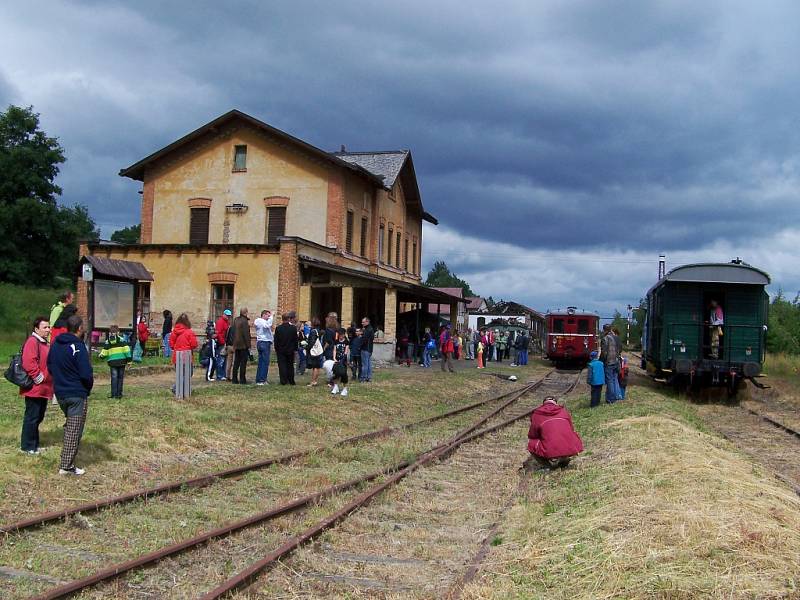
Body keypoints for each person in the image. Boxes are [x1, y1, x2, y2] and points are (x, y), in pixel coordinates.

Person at [47, 315, 93, 475]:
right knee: (74, 429)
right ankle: (66, 466)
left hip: (60, 392)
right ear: (79, 328)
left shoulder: (56, 345)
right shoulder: (78, 347)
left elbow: (50, 366)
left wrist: (60, 380)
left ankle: (68, 461)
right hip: (76, 393)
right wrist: (87, 387)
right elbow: (86, 373)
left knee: (71, 426)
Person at [19, 316, 52, 455]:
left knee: (38, 417)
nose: (48, 330)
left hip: (44, 388)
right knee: (32, 417)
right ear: (36, 329)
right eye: (45, 327)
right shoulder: (32, 342)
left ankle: (34, 445)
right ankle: (27, 447)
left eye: (48, 327)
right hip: (35, 388)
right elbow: (28, 362)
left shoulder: (44, 343)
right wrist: (39, 378)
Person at [526, 396, 583, 470]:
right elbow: (571, 429)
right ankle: (564, 459)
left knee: (531, 444)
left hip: (550, 448)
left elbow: (532, 435)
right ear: (555, 403)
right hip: (571, 447)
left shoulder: (537, 414)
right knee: (569, 436)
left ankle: (547, 465)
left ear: (543, 403)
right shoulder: (563, 411)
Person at [99, 325, 132, 398]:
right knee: (120, 378)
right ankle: (119, 394)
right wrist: (129, 361)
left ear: (110, 333)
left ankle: (113, 394)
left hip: (112, 362)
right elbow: (127, 351)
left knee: (114, 378)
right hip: (122, 362)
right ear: (118, 332)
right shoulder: (122, 340)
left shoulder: (108, 342)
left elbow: (104, 352)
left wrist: (101, 356)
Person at [170, 313, 198, 399]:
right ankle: (177, 388)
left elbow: (171, 344)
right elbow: (194, 344)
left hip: (177, 356)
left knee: (180, 373)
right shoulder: (189, 332)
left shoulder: (174, 332)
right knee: (188, 373)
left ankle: (178, 388)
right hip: (187, 356)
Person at [324, 328, 350, 396]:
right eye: (339, 335)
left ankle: (345, 389)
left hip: (343, 361)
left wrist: (342, 360)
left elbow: (346, 352)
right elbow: (334, 350)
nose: (340, 336)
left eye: (342, 335)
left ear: (344, 335)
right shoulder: (336, 341)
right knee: (335, 374)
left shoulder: (346, 341)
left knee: (343, 374)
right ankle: (336, 387)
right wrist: (334, 358)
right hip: (336, 360)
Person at [274, 312, 297, 385]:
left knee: (282, 365)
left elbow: (276, 340)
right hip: (290, 349)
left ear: (282, 319)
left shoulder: (278, 328)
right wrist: (295, 349)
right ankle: (291, 380)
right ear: (289, 319)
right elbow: (295, 340)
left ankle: (283, 380)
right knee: (290, 365)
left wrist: (276, 348)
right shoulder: (293, 328)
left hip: (281, 350)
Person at [600, 324, 620, 403]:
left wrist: (601, 361)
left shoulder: (605, 339)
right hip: (616, 361)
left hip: (609, 362)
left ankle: (611, 399)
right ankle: (616, 396)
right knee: (615, 379)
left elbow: (604, 352)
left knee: (610, 381)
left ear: (605, 330)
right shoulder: (616, 338)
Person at [253, 309, 274, 385]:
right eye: (268, 316)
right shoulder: (261, 321)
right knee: (264, 362)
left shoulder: (260, 321)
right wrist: (271, 317)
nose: (269, 318)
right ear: (264, 315)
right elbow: (267, 325)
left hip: (263, 342)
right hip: (264, 342)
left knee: (262, 362)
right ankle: (262, 379)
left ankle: (260, 379)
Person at [231, 308, 251, 385]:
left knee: (236, 362)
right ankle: (242, 379)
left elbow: (233, 332)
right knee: (243, 363)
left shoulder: (236, 320)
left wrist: (234, 343)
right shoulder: (244, 321)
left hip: (236, 344)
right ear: (245, 313)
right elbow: (246, 334)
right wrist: (248, 345)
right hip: (243, 345)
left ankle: (234, 379)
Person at [215, 309, 232, 381]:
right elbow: (218, 333)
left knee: (224, 360)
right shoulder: (220, 322)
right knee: (220, 360)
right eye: (227, 315)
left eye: (229, 316)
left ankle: (223, 375)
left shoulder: (226, 322)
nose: (228, 317)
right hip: (221, 343)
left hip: (225, 342)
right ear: (224, 315)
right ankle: (219, 375)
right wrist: (222, 342)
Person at [307, 318, 323, 387]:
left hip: (314, 351)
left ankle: (313, 381)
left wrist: (307, 348)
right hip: (319, 350)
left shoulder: (313, 331)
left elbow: (312, 342)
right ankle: (315, 380)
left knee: (315, 367)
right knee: (318, 367)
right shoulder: (318, 330)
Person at [360, 317, 374, 383]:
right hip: (369, 349)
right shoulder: (370, 329)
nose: (362, 323)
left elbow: (364, 340)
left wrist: (359, 346)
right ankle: (369, 377)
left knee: (365, 364)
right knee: (368, 364)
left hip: (365, 349)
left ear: (367, 322)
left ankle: (363, 378)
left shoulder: (367, 330)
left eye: (363, 322)